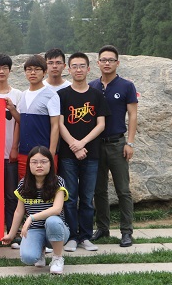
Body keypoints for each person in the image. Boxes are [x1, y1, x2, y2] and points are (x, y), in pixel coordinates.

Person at [57, 52, 109, 253]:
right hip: (67, 155)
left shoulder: (97, 95)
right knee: (70, 198)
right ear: (68, 70)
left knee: (87, 198)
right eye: (74, 66)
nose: (78, 70)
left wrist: (82, 143)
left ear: (88, 69)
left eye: (82, 66)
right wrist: (73, 144)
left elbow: (101, 124)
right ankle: (72, 236)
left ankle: (85, 236)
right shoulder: (62, 95)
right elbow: (59, 123)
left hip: (91, 153)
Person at [89, 45, 138, 247]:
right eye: (103, 60)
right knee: (98, 190)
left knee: (123, 190)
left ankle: (126, 231)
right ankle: (103, 227)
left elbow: (133, 115)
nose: (107, 63)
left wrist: (130, 143)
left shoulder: (126, 86)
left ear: (117, 63)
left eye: (111, 60)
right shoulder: (92, 86)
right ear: (98, 63)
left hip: (118, 144)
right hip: (96, 145)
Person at [2, 146, 69, 275]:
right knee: (28, 257)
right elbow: (19, 211)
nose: (39, 165)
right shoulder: (23, 184)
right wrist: (11, 234)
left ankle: (57, 258)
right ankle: (40, 251)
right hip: (35, 230)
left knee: (53, 221)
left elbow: (57, 209)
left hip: (57, 230)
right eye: (34, 162)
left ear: (50, 164)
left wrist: (32, 217)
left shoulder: (58, 182)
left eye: (43, 161)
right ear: (29, 165)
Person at [0, 54, 22, 249]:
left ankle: (12, 232)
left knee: (11, 195)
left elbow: (22, 121)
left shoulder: (18, 95)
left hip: (10, 153)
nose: (1, 72)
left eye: (5, 68)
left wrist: (15, 147)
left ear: (10, 70)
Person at [17, 55, 60, 180]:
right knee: (25, 186)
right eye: (29, 69)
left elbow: (55, 125)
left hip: (44, 153)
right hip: (24, 152)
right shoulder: (23, 95)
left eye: (37, 69)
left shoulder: (51, 95)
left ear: (44, 72)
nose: (32, 73)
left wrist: (51, 153)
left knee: (47, 187)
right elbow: (21, 122)